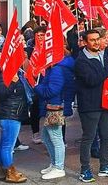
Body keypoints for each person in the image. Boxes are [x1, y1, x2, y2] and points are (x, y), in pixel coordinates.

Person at [75, 28, 108, 182]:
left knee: (107, 136)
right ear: (85, 42)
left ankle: (105, 166)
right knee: (89, 137)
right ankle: (85, 170)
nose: (96, 42)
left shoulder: (103, 54)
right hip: (90, 105)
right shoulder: (81, 60)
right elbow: (93, 80)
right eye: (92, 40)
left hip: (106, 103)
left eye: (97, 39)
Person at [34, 44, 71, 180]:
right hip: (53, 106)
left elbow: (52, 90)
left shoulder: (57, 69)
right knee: (46, 137)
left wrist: (37, 87)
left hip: (55, 107)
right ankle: (54, 163)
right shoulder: (57, 68)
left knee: (56, 138)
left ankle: (59, 167)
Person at [0, 68, 29, 183]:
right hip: (10, 115)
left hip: (13, 113)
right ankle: (10, 173)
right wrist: (13, 83)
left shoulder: (17, 74)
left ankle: (4, 171)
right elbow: (1, 94)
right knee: (8, 146)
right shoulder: (2, 76)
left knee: (4, 144)